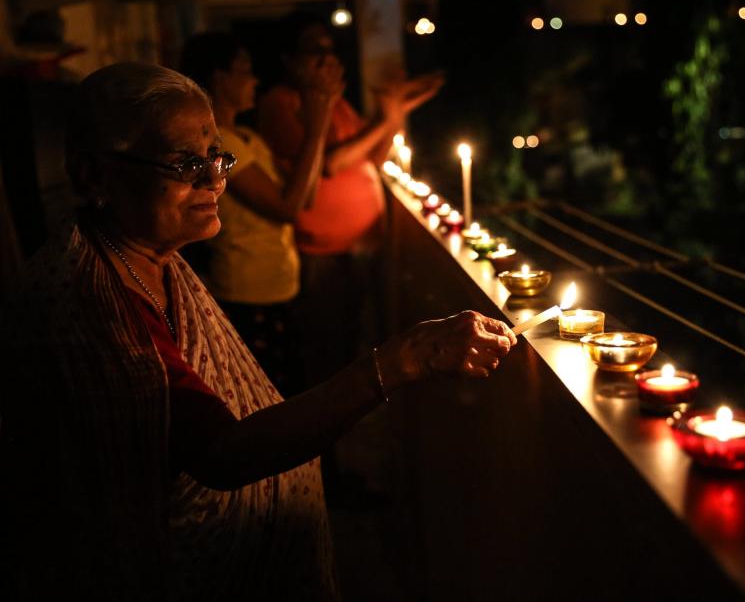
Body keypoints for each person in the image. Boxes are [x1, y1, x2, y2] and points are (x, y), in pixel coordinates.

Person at [0, 62, 515, 600]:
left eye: (216, 158)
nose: (214, 180)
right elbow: (220, 454)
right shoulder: (90, 304)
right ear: (94, 176)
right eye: (184, 164)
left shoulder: (150, 260)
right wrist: (406, 360)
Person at [258, 14, 444, 384]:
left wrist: (393, 115)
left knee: (357, 339)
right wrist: (385, 118)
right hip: (324, 253)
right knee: (326, 347)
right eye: (315, 52)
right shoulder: (282, 103)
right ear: (289, 61)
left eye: (332, 52)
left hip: (361, 246)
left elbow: (370, 158)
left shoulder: (336, 104)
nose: (328, 61)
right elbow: (330, 163)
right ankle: (325, 431)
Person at [179, 31, 342, 394]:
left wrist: (323, 111)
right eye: (245, 70)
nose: (255, 80)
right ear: (220, 78)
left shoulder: (245, 136)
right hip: (248, 292)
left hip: (274, 286)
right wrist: (315, 126)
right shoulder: (223, 143)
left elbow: (305, 197)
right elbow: (287, 208)